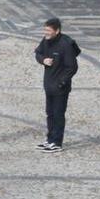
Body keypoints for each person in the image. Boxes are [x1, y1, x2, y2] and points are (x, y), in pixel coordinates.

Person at [34, 18, 81, 153]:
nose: (46, 33)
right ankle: (50, 139)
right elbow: (38, 53)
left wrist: (62, 82)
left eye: (49, 30)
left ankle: (57, 142)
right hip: (48, 85)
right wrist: (43, 60)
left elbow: (72, 67)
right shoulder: (46, 40)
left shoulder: (65, 44)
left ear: (57, 31)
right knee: (49, 113)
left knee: (58, 114)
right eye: (45, 30)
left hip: (60, 88)